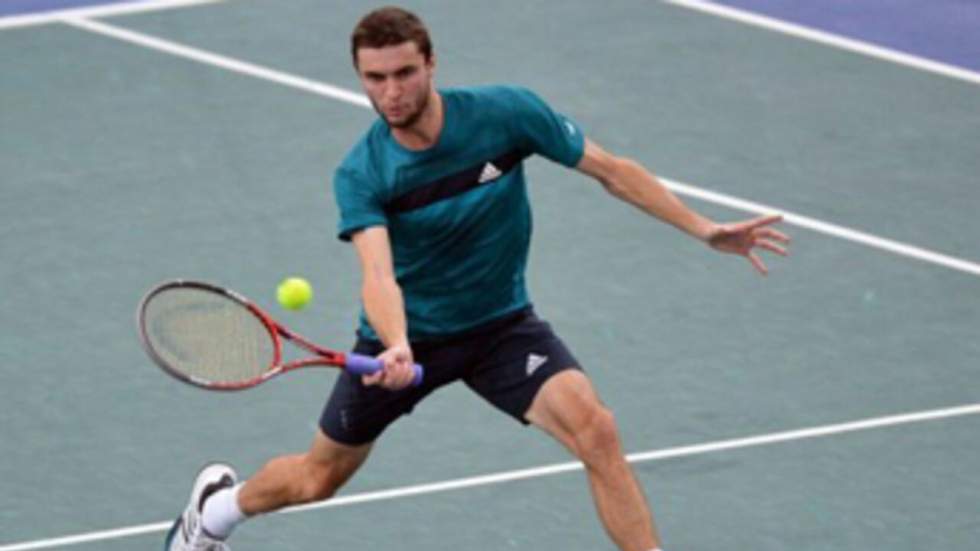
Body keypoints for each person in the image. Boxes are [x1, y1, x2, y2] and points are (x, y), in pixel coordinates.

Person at [164, 6, 790, 551]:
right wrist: (399, 344)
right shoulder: (363, 173)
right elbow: (378, 274)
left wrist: (704, 229)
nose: (391, 93)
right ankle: (215, 513)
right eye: (375, 79)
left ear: (432, 64)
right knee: (316, 480)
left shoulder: (506, 115)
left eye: (404, 73)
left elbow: (611, 170)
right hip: (407, 342)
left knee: (596, 430)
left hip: (501, 327)